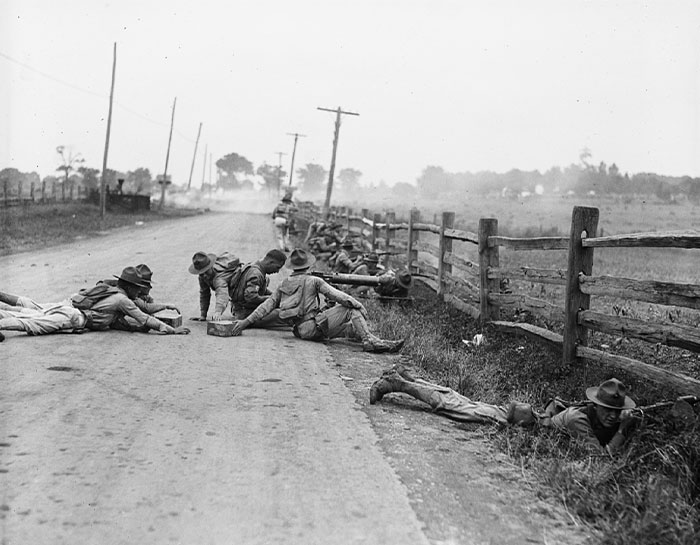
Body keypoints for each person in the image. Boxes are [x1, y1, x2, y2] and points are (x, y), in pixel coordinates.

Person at [369, 367, 637, 455]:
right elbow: (601, 458)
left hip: (524, 417)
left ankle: (409, 378)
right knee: (450, 405)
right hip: (515, 423)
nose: (612, 416)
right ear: (596, 405)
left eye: (616, 412)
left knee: (458, 400)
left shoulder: (589, 413)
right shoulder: (580, 418)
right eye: (607, 410)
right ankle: (398, 383)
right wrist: (623, 430)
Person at [230, 248, 405, 353]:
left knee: (351, 329)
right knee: (352, 310)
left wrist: (244, 323)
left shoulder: (285, 283)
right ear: (308, 266)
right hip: (313, 327)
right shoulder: (314, 280)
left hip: (299, 330)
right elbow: (341, 297)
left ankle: (379, 342)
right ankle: (370, 342)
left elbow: (265, 307)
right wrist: (358, 304)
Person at [0, 267, 190, 339]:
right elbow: (145, 317)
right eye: (138, 288)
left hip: (71, 310)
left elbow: (115, 322)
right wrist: (172, 330)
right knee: (32, 323)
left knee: (29, 314)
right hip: (74, 317)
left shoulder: (114, 292)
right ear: (130, 287)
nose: (139, 291)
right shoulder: (123, 300)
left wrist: (136, 329)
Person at [228, 249, 289, 329]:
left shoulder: (255, 266)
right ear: (270, 262)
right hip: (244, 313)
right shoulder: (256, 274)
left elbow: (261, 290)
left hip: (238, 309)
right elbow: (250, 297)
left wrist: (275, 296)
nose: (277, 271)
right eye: (277, 267)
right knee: (284, 314)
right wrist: (271, 299)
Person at [189, 251, 240, 321]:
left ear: (211, 267)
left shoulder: (219, 278)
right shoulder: (202, 277)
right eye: (201, 273)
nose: (204, 276)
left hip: (240, 289)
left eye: (206, 271)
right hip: (233, 291)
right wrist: (203, 315)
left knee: (241, 316)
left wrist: (218, 312)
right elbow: (204, 294)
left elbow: (222, 294)